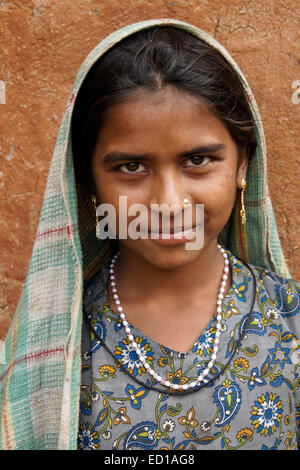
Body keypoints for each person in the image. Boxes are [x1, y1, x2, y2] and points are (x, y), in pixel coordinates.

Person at [0, 19, 299, 451]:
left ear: (242, 164)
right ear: (87, 183)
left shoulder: (290, 322)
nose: (168, 202)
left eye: (197, 159)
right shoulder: (52, 354)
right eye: (131, 167)